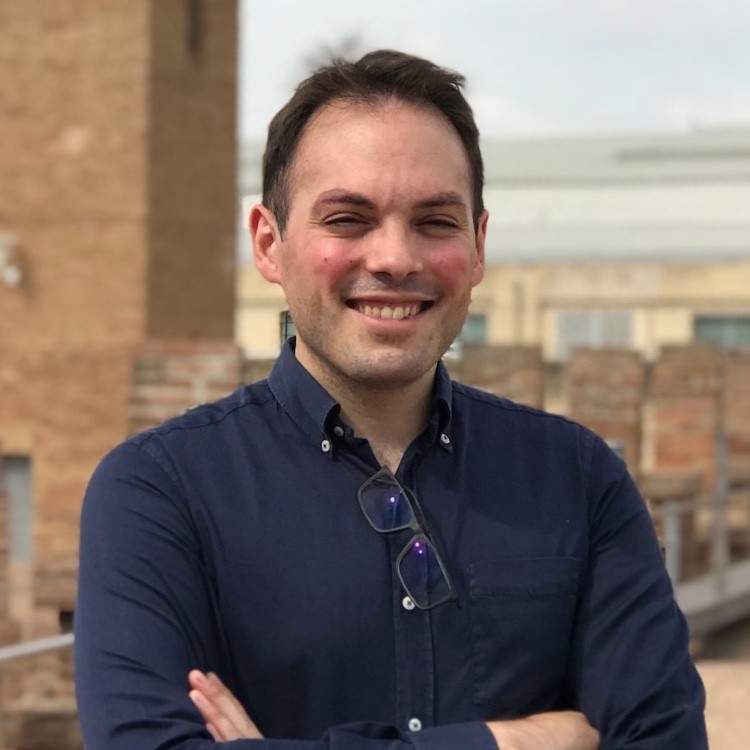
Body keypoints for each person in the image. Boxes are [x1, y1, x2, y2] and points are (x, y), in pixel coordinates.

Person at [74, 49, 707, 749]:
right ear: (269, 244)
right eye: (348, 219)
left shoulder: (578, 481)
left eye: (435, 222)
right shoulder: (160, 492)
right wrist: (512, 741)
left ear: (478, 245)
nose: (396, 259)